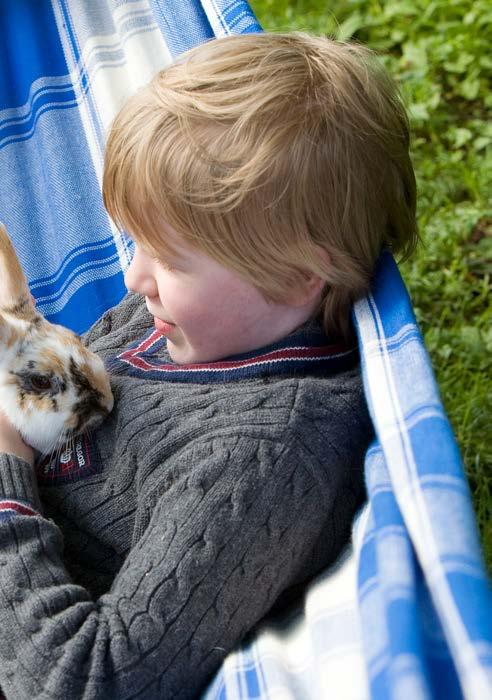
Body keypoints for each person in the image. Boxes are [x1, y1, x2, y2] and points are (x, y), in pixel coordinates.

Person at [0, 32, 417, 699]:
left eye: (170, 259)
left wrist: (6, 476)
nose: (134, 277)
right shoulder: (191, 323)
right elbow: (80, 419)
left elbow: (87, 682)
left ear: (295, 279)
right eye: (136, 242)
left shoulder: (262, 460)